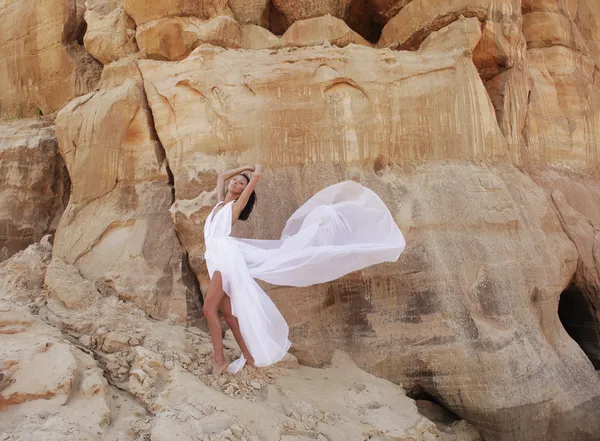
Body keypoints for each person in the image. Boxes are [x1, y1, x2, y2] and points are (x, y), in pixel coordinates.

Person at [203, 165, 406, 375]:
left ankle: (219, 360)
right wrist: (243, 168)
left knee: (209, 309)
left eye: (241, 183)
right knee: (228, 315)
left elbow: (252, 184)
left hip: (225, 258)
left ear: (243, 192)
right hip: (214, 257)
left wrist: (254, 175)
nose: (235, 182)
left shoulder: (234, 208)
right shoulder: (219, 203)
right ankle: (250, 357)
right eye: (235, 180)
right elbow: (220, 176)